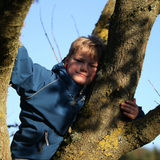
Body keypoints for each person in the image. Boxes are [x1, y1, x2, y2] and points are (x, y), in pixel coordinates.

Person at [10, 35, 144, 160]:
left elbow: (136, 126)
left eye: (92, 65)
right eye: (79, 61)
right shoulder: (45, 81)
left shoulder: (93, 98)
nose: (84, 68)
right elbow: (22, 66)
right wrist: (11, 35)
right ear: (67, 60)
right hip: (25, 156)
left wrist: (137, 115)